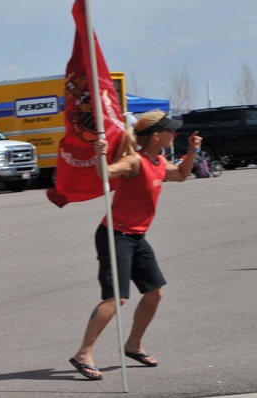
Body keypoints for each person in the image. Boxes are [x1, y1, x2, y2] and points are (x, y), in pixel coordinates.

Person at [69, 110, 202, 380]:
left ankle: (133, 345)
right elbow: (105, 173)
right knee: (116, 298)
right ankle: (84, 353)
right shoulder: (134, 162)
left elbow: (180, 176)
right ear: (155, 136)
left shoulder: (159, 161)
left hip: (137, 236)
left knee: (154, 293)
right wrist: (100, 153)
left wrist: (192, 151)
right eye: (169, 131)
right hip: (114, 235)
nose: (172, 134)